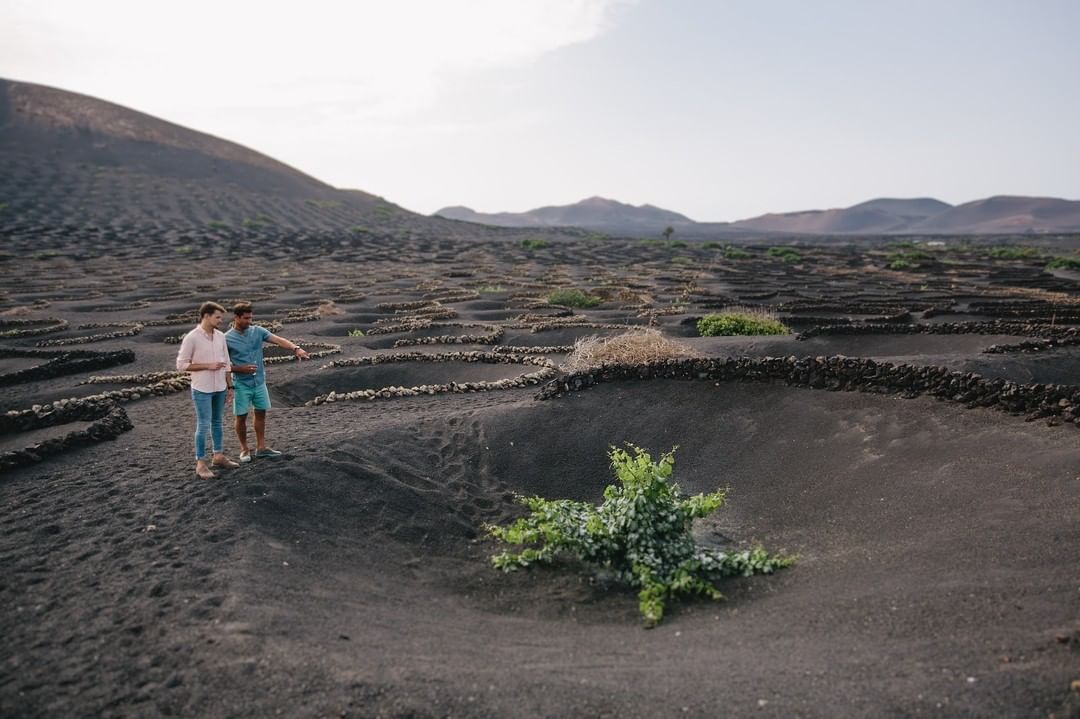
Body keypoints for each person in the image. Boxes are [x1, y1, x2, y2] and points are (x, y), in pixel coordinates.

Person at [225, 301, 310, 463]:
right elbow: (223, 364)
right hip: (241, 383)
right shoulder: (226, 338)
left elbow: (278, 340)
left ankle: (261, 447)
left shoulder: (257, 331)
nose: (249, 321)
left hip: (259, 381)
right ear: (236, 317)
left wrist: (295, 348)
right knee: (241, 416)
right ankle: (244, 449)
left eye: (251, 318)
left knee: (261, 412)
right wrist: (239, 369)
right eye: (245, 318)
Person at [176, 301, 239, 479]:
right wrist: (208, 366)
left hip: (220, 386)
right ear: (206, 316)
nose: (220, 321)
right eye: (217, 317)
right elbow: (181, 365)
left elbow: (227, 362)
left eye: (221, 317)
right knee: (203, 424)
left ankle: (218, 456)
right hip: (201, 388)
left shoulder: (220, 336)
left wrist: (229, 386)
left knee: (218, 421)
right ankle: (201, 464)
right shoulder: (192, 337)